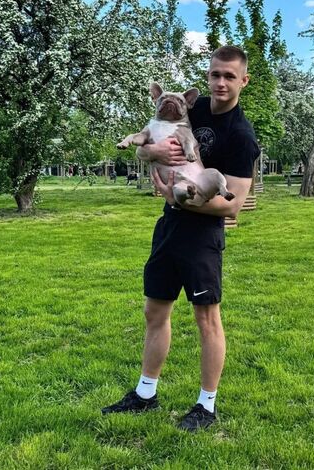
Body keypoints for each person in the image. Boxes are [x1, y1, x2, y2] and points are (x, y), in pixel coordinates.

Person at [101, 46, 260, 432]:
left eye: (229, 76)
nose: (220, 82)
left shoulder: (241, 136)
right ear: (207, 76)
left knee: (207, 319)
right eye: (215, 74)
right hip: (169, 225)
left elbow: (233, 206)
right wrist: (149, 151)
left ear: (243, 81)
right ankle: (145, 394)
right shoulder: (192, 108)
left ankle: (206, 406)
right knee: (154, 311)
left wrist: (178, 198)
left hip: (202, 234)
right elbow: (149, 147)